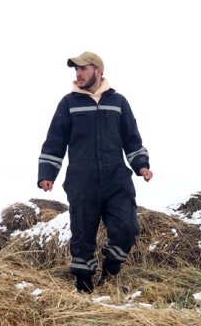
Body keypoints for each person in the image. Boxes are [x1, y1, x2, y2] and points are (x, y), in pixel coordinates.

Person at [37, 51, 153, 293]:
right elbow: (55, 141)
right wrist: (47, 173)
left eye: (83, 69)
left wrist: (141, 165)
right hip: (82, 181)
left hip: (117, 180)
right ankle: (83, 284)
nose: (78, 74)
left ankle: (110, 269)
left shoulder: (118, 102)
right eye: (76, 70)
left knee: (127, 229)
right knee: (82, 235)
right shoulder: (68, 103)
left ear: (98, 71)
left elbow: (131, 138)